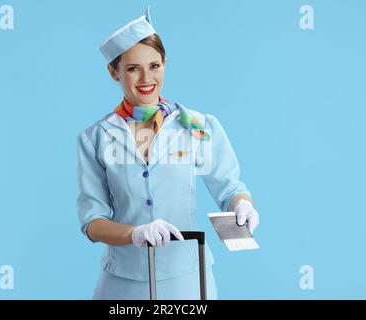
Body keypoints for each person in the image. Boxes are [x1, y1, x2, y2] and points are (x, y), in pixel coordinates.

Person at [76, 5, 259, 300]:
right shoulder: (95, 138)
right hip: (123, 283)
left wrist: (242, 205)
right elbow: (92, 222)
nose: (146, 78)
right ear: (113, 72)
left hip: (187, 278)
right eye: (133, 68)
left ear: (165, 63)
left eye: (155, 65)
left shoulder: (196, 126)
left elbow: (229, 188)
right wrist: (135, 233)